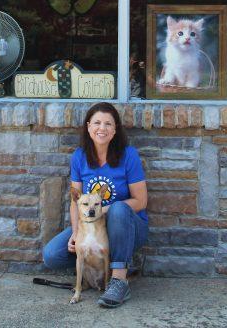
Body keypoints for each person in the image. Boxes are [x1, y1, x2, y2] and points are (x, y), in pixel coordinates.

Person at [42, 102, 148, 308]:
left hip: (129, 227)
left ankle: (118, 280)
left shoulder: (129, 155)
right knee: (52, 255)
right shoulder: (80, 157)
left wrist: (105, 209)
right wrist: (75, 232)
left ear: (115, 129)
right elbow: (75, 201)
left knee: (118, 208)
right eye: (97, 123)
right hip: (90, 226)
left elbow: (141, 201)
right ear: (88, 126)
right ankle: (96, 270)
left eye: (108, 124)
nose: (102, 128)